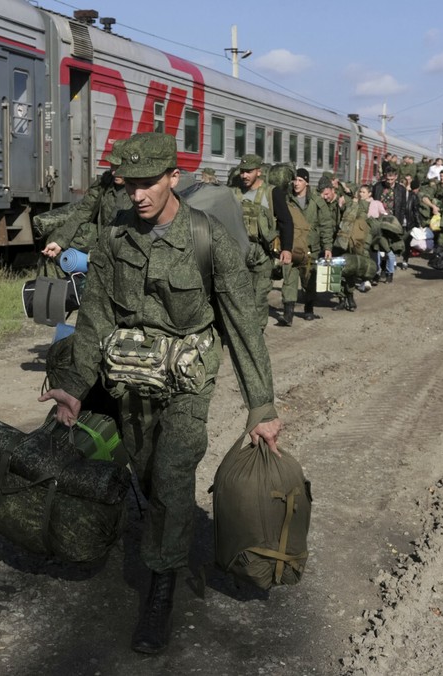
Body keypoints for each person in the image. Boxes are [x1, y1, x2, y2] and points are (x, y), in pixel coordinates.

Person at [39, 132, 282, 655]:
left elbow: (242, 324)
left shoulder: (207, 238)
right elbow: (96, 317)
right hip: (131, 377)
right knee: (145, 471)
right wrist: (77, 387)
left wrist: (261, 407)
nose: (139, 195)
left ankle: (160, 593)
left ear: (174, 177)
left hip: (188, 382)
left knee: (171, 475)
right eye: (130, 186)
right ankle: (161, 529)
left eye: (149, 183)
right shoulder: (113, 239)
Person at [237, 154, 293, 330]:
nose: (244, 176)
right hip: (239, 252)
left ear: (258, 172)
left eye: (249, 172)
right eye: (242, 172)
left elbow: (286, 221)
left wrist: (287, 249)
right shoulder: (235, 192)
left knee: (259, 296)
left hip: (263, 253)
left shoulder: (272, 193)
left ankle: (257, 332)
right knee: (240, 297)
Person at [279, 167, 334, 323]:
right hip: (292, 246)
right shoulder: (287, 200)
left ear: (307, 183)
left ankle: (309, 308)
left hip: (311, 249)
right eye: (295, 180)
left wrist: (328, 247)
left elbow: (326, 225)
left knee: (308, 280)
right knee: (289, 278)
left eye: (300, 180)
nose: (296, 183)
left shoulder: (317, 202)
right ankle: (288, 313)